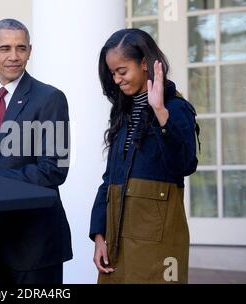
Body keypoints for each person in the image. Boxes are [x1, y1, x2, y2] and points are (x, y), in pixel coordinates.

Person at [0, 19, 72, 284]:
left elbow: (54, 169)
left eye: (21, 48)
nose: (14, 56)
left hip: (33, 244)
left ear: (30, 51)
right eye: (5, 48)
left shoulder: (50, 98)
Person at [89, 29, 199, 284]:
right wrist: (98, 235)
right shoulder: (122, 113)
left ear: (144, 64)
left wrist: (160, 112)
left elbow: (184, 164)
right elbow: (109, 180)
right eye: (112, 73)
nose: (116, 79)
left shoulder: (176, 109)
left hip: (158, 246)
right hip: (117, 243)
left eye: (122, 71)